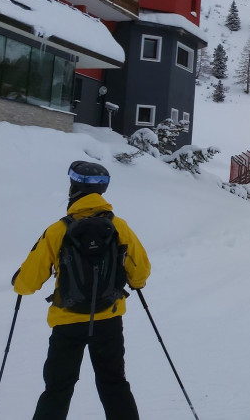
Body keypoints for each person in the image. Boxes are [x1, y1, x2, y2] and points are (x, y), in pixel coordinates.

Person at [13, 161, 150, 420]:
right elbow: (140, 270)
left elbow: (29, 281)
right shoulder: (119, 226)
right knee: (114, 384)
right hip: (108, 320)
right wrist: (138, 284)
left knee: (58, 388)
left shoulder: (57, 230)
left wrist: (18, 284)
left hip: (67, 322)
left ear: (73, 188)